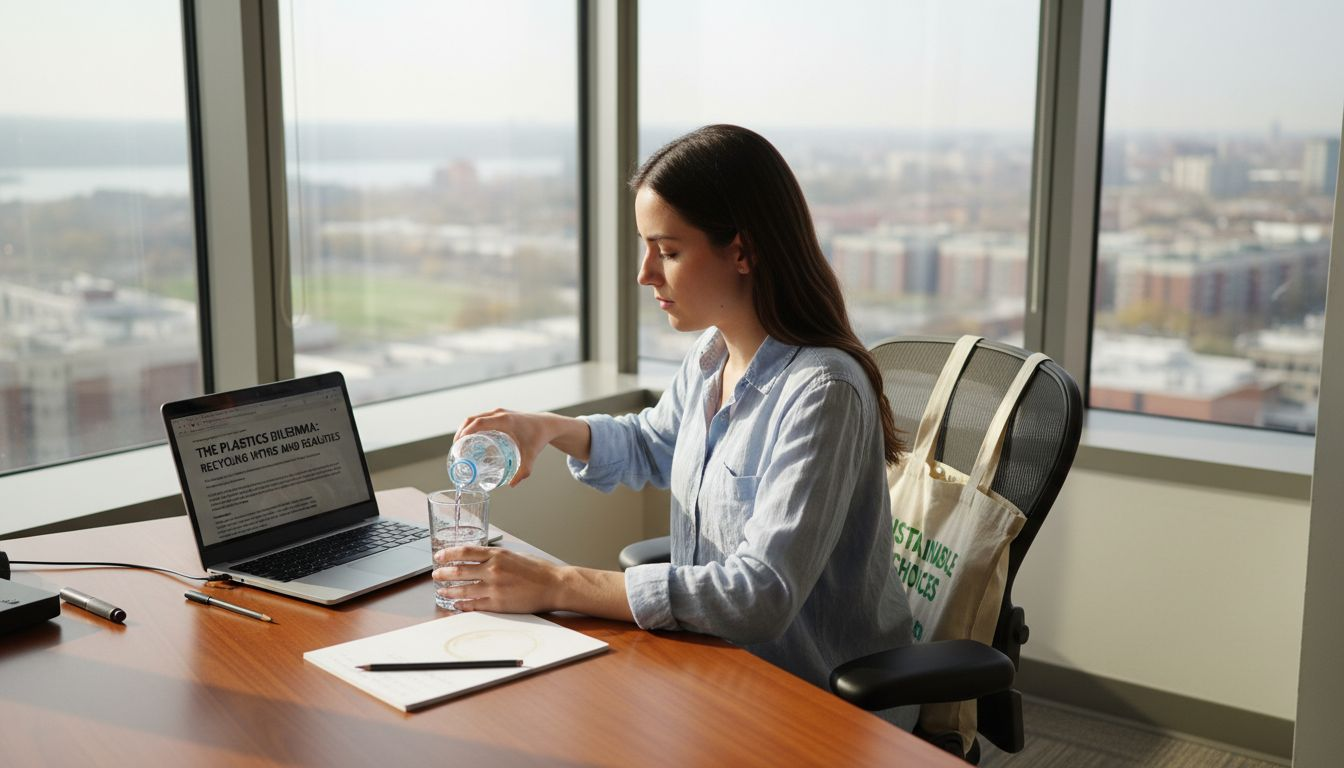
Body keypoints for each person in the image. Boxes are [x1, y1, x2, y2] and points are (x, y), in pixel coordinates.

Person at [434, 124, 916, 728]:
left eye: (668, 250)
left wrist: (558, 583)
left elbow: (759, 596)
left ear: (742, 251)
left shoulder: (823, 392)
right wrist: (548, 428)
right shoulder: (715, 355)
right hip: (719, 670)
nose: (645, 274)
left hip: (811, 701)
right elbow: (657, 442)